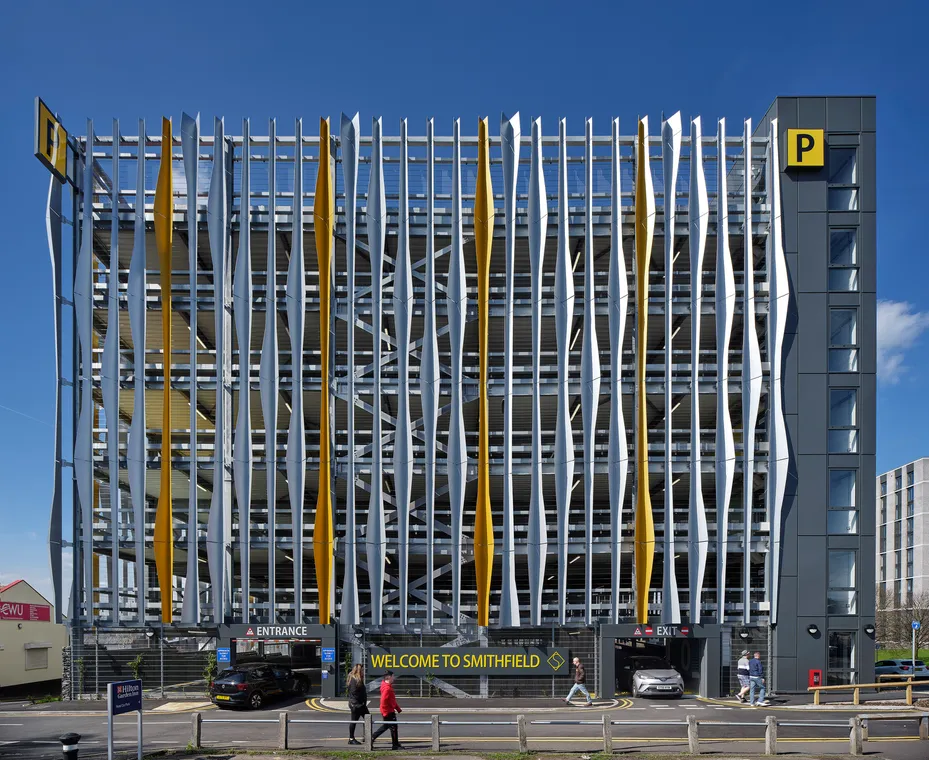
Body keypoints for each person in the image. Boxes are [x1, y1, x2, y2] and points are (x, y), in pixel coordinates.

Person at [371, 670, 403, 749]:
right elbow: (383, 701)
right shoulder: (387, 688)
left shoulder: (387, 686)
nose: (394, 678)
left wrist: (398, 709)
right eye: (393, 676)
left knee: (390, 727)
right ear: (388, 677)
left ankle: (395, 743)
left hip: (389, 710)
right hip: (388, 711)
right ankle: (394, 745)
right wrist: (385, 712)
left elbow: (392, 700)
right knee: (392, 727)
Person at [346, 664, 368, 745]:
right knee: (354, 721)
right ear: (359, 670)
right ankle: (351, 739)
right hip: (356, 704)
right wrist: (360, 701)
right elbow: (354, 692)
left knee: (367, 719)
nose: (363, 671)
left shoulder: (358, 679)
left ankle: (366, 736)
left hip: (360, 704)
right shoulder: (354, 680)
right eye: (362, 670)